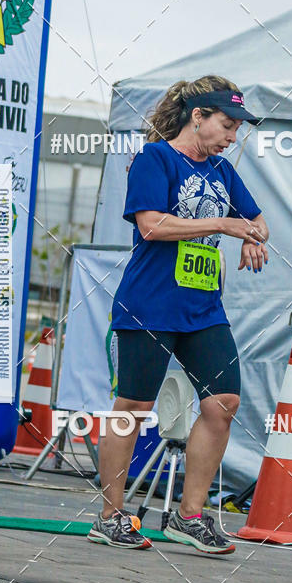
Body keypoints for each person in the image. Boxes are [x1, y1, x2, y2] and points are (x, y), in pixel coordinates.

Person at [88, 75, 269, 553]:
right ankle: (110, 515)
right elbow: (151, 226)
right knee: (133, 409)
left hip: (203, 308)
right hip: (150, 304)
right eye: (227, 126)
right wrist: (225, 224)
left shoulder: (224, 171)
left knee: (222, 403)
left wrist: (252, 236)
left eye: (235, 129)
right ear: (198, 117)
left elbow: (258, 220)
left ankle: (189, 517)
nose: (232, 138)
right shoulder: (155, 159)